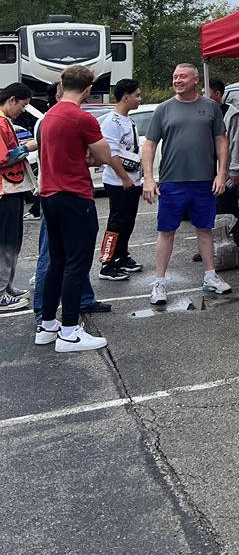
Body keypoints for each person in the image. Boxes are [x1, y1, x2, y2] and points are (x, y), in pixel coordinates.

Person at [36, 65, 116, 352]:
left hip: (49, 195)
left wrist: (84, 155)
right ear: (88, 90)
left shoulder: (49, 116)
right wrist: (92, 156)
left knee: (57, 262)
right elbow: (104, 154)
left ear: (62, 86)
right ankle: (69, 331)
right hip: (74, 196)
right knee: (77, 263)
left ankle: (47, 324)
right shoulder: (81, 117)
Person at [141, 62, 232, 305]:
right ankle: (159, 283)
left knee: (205, 229)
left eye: (183, 77)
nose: (177, 80)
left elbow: (221, 141)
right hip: (172, 182)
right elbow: (149, 144)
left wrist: (222, 173)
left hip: (204, 181)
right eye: (175, 77)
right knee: (166, 231)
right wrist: (148, 178)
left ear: (195, 81)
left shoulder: (211, 107)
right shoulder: (164, 109)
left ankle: (210, 276)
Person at [192, 75, 239, 262]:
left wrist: (235, 170)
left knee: (226, 209)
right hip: (204, 170)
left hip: (225, 170)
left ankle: (229, 247)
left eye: (206, 93)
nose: (202, 97)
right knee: (206, 209)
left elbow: (237, 143)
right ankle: (207, 248)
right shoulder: (202, 113)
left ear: (217, 94)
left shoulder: (231, 114)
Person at [98, 78, 145, 280]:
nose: (140, 99)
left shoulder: (129, 120)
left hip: (133, 180)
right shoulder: (112, 122)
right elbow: (111, 154)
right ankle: (107, 263)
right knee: (117, 222)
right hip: (118, 182)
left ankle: (122, 256)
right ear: (126, 98)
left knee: (128, 221)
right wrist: (125, 178)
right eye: (137, 95)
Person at [0, 82, 35, 313]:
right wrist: (28, 147)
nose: (22, 110)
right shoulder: (0, 122)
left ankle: (7, 286)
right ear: (12, 100)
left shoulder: (5, 121)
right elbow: (3, 158)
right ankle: (1, 292)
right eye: (22, 106)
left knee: (13, 240)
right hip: (5, 191)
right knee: (5, 242)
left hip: (11, 190)